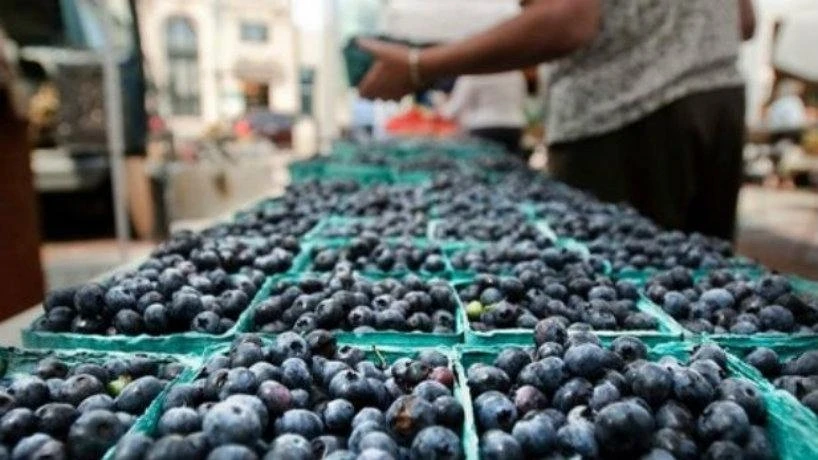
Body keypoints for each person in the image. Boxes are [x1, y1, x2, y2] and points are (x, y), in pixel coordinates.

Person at [357, 0, 756, 241]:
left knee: (611, 301)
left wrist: (419, 65)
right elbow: (745, 22)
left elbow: (566, 16)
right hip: (717, 98)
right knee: (707, 306)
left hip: (622, 109)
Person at [439, 71, 526, 157]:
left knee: (484, 166)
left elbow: (455, 107)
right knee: (512, 165)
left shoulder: (473, 74)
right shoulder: (515, 73)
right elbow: (522, 100)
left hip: (483, 128)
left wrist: (440, 110)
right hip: (514, 127)